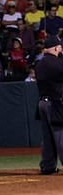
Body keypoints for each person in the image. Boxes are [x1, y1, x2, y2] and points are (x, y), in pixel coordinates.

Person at [34, 35, 63, 175]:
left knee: (47, 137)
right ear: (57, 47)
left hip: (42, 103)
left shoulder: (40, 63)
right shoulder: (57, 63)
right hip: (55, 103)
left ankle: (48, 166)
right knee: (60, 134)